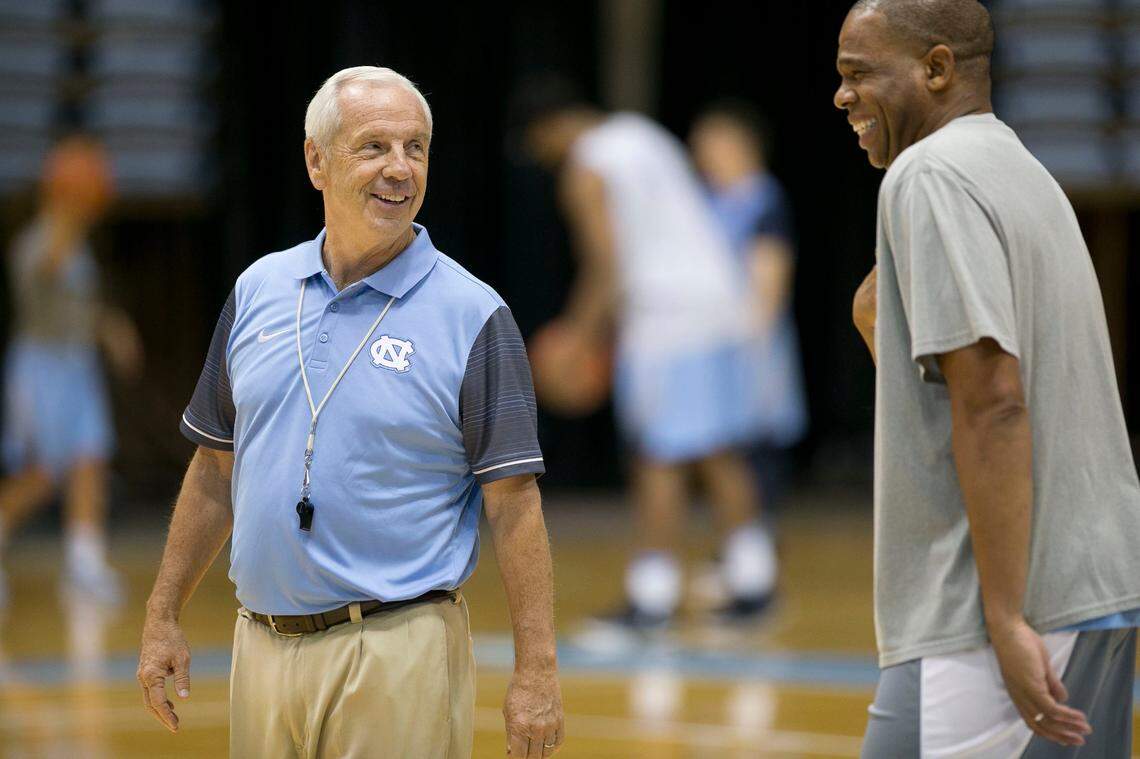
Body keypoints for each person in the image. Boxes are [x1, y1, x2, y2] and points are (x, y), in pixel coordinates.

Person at [136, 67, 564, 759]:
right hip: (262, 648)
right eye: (374, 147)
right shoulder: (257, 290)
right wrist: (161, 617)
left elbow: (514, 504)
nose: (400, 168)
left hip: (398, 652)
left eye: (415, 148)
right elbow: (216, 466)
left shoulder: (474, 315)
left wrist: (536, 673)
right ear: (316, 161)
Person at [835, 1, 1140, 755]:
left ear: (937, 69)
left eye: (857, 74)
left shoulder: (929, 173)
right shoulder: (1021, 168)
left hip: (998, 610)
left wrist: (1005, 615)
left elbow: (996, 401)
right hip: (1099, 584)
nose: (841, 96)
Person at [518, 80, 778, 629]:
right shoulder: (642, 133)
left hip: (666, 316)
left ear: (546, 132)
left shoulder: (586, 165)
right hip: (720, 301)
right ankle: (755, 580)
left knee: (656, 456)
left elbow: (606, 266)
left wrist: (576, 338)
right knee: (719, 450)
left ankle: (651, 597)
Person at [0, 136, 142, 609]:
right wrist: (72, 197)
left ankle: (83, 565)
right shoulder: (42, 239)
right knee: (43, 472)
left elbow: (79, 305)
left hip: (77, 364)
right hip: (43, 368)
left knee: (89, 461)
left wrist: (111, 328)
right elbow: (47, 267)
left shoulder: (77, 244)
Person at [689, 101, 807, 508]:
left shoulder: (762, 199)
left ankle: (760, 543)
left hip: (750, 339)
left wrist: (752, 335)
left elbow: (769, 277)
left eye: (713, 143)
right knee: (721, 445)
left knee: (757, 442)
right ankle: (735, 546)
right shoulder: (705, 201)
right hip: (713, 339)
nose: (703, 154)